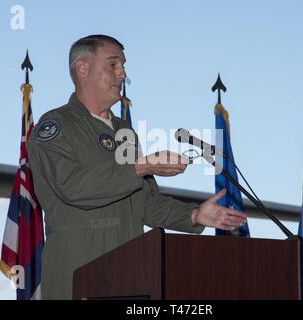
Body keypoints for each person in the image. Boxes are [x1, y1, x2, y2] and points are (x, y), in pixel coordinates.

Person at [27, 34, 247, 300]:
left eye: (123, 65)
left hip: (130, 275)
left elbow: (145, 203)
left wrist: (194, 215)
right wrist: (141, 166)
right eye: (113, 64)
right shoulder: (56, 126)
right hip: (79, 273)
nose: (123, 74)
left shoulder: (124, 131)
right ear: (82, 69)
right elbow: (73, 187)